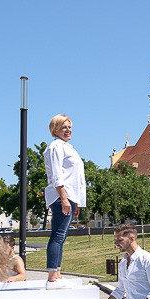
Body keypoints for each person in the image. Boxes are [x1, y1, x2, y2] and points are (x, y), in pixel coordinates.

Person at [43, 114, 87, 288]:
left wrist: (76, 202)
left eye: (69, 127)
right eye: (63, 127)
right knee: (57, 235)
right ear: (55, 130)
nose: (68, 130)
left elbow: (75, 177)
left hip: (69, 197)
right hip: (61, 196)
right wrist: (64, 198)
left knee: (61, 237)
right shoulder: (56, 147)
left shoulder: (68, 147)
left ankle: (57, 274)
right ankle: (52, 277)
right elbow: (57, 175)